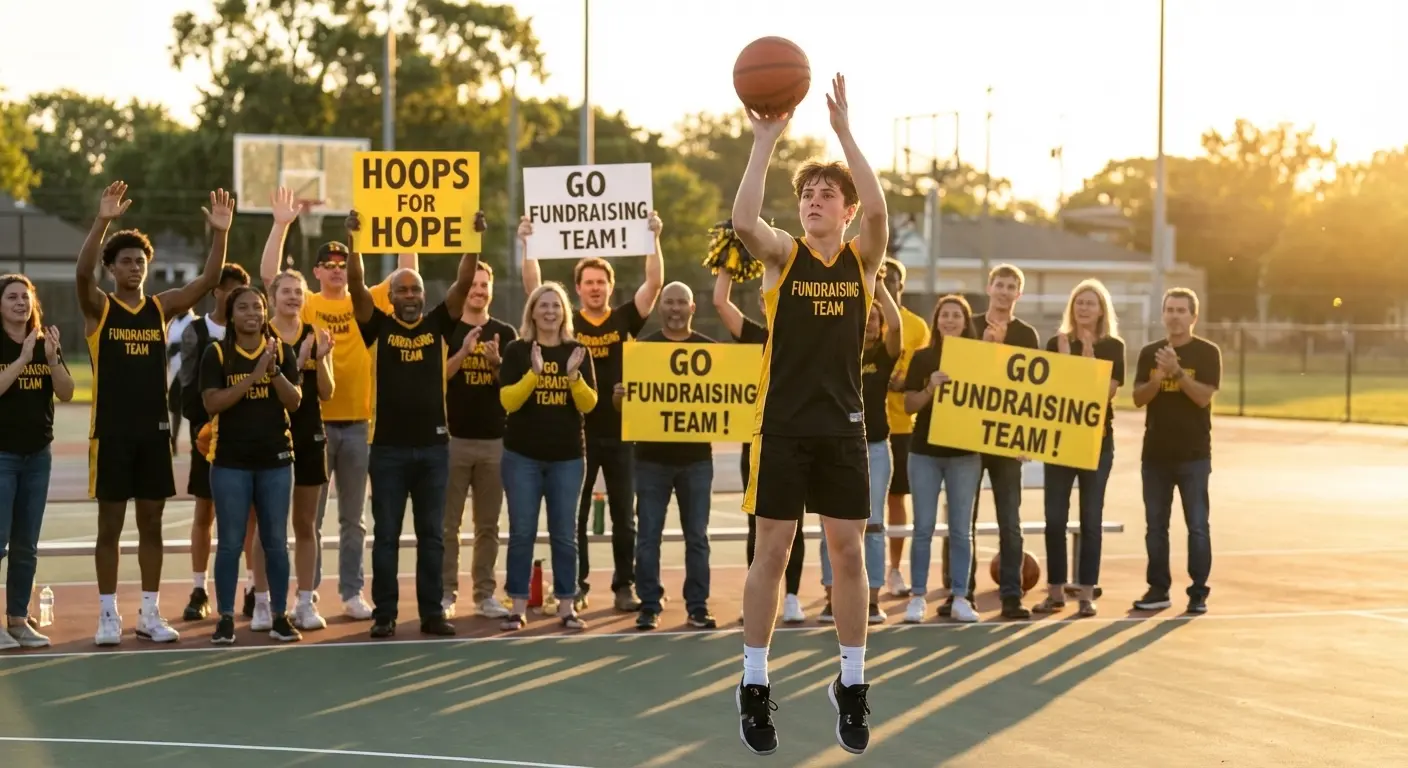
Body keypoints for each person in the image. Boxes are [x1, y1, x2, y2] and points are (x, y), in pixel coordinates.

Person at [733, 74, 886, 756]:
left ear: (845, 212)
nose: (815, 200)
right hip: (785, 429)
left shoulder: (860, 261)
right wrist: (765, 141)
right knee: (774, 551)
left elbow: (881, 213)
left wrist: (845, 134)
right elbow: (742, 223)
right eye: (807, 194)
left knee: (848, 552)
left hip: (844, 429)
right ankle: (754, 683)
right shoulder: (783, 258)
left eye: (827, 195)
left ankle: (851, 683)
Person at [75, 182, 233, 646]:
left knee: (152, 524)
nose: (134, 266)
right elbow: (82, 271)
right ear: (112, 268)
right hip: (111, 433)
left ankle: (148, 611)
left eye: (140, 261)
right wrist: (103, 220)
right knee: (110, 527)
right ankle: (108, 615)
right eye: (125, 261)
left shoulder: (159, 309)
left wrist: (220, 234)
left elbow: (206, 282)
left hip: (154, 433)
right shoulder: (99, 308)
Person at [260, 187, 418, 622]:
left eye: (342, 264)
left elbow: (407, 273)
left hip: (358, 423)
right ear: (315, 272)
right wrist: (281, 224)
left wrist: (408, 222)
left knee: (354, 519)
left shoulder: (363, 301)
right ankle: (305, 594)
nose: (335, 270)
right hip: (312, 424)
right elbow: (271, 276)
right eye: (328, 266)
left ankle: (352, 592)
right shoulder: (306, 302)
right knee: (308, 520)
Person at [517, 211, 664, 612]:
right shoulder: (568, 322)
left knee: (624, 517)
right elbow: (534, 286)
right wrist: (527, 242)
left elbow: (654, 284)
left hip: (621, 431)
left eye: (601, 282)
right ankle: (576, 587)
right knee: (574, 518)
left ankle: (623, 586)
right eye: (589, 283)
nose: (595, 288)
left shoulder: (623, 319)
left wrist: (654, 238)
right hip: (576, 433)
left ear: (610, 287)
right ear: (578, 289)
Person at [346, 210, 483, 639]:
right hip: (386, 449)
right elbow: (354, 286)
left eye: (415, 289)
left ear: (424, 294)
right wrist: (354, 242)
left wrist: (473, 241)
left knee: (433, 537)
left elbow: (462, 283)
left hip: (433, 450)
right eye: (401, 289)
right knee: (386, 536)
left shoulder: (439, 324)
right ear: (390, 296)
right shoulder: (377, 327)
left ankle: (431, 614)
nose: (409, 294)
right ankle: (385, 613)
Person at [199, 286, 303, 645]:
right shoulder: (216, 354)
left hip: (275, 460)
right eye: (243, 307)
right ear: (231, 314)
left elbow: (295, 402)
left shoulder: (282, 351)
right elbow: (213, 403)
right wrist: (254, 374)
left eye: (257, 307)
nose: (252, 313)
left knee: (276, 541)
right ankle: (225, 618)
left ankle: (279, 616)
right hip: (230, 462)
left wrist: (272, 372)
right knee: (229, 542)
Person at [613, 278, 717, 631]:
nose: (674, 308)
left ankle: (698, 606)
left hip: (697, 460)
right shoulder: (642, 350)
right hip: (651, 460)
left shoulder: (713, 352)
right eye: (669, 302)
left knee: (697, 538)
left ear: (692, 308)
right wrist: (619, 396)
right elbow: (622, 406)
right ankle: (649, 604)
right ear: (661, 308)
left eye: (681, 302)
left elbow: (725, 401)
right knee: (648, 536)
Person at [498, 282, 597, 632]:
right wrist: (534, 374)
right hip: (521, 457)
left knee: (564, 533)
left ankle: (567, 605)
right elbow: (508, 401)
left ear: (564, 312)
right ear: (533, 312)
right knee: (522, 532)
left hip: (567, 458)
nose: (550, 311)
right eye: (544, 305)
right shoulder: (516, 351)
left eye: (556, 305)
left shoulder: (578, 351)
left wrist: (572, 376)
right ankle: (518, 605)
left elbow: (589, 404)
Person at [712, 269, 808, 624]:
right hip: (757, 444)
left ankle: (794, 596)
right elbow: (720, 302)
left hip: (799, 441)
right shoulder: (755, 336)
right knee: (758, 526)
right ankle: (755, 596)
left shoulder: (806, 337)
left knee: (793, 524)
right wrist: (727, 261)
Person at [1034, 279, 1125, 618]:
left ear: (1102, 309)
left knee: (1091, 518)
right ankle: (1055, 592)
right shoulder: (1054, 343)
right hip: (1059, 442)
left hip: (1096, 443)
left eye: (1091, 303)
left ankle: (1086, 593)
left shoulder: (1113, 347)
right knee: (1054, 518)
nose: (1084, 308)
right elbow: (1047, 392)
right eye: (1079, 302)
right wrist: (1068, 359)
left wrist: (1086, 359)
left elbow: (1105, 393)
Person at [176, 264, 260, 623]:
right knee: (204, 512)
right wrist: (203, 427)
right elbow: (188, 384)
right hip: (210, 434)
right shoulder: (197, 331)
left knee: (250, 519)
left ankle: (253, 587)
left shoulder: (255, 331)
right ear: (216, 293)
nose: (233, 295)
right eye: (227, 290)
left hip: (250, 434)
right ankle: (199, 588)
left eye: (240, 289)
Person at [817, 271, 901, 625]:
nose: (870, 325)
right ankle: (831, 597)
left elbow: (897, 327)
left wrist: (879, 284)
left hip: (876, 447)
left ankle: (873, 599)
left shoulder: (884, 355)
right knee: (832, 524)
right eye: (864, 318)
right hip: (836, 444)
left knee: (875, 523)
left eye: (875, 320)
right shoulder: (838, 351)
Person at [1132, 287, 1220, 615]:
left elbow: (1202, 397)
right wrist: (1158, 377)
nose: (1175, 316)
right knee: (1156, 526)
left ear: (1193, 317)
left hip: (1194, 455)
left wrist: (1179, 372)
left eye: (1182, 310)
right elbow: (1139, 398)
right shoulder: (1150, 352)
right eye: (1170, 309)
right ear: (1163, 315)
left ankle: (1198, 591)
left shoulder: (1208, 353)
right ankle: (1158, 588)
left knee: (1197, 525)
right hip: (1155, 455)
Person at [0, 275, 74, 650]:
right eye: (11, 297)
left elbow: (66, 392)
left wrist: (49, 359)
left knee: (26, 543)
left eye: (25, 298)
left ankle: (17, 619)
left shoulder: (45, 343)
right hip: (2, 456)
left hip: (37, 456)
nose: (19, 304)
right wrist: (23, 358)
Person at [441, 261, 516, 620]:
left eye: (485, 285)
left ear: (492, 290)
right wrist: (463, 354)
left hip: (493, 441)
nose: (479, 290)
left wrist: (497, 364)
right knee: (447, 524)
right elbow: (435, 380)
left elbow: (515, 390)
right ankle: (444, 593)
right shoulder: (447, 329)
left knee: (488, 525)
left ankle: (484, 593)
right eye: (473, 285)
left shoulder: (505, 331)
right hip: (452, 439)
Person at [901, 295, 983, 624]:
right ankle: (918, 596)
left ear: (965, 322)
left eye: (956, 316)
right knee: (923, 528)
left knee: (961, 531)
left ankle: (961, 596)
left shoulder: (980, 359)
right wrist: (929, 390)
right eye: (944, 315)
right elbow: (908, 406)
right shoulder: (922, 358)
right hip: (924, 453)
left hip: (965, 454)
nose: (950, 320)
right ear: (936, 321)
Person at [968, 263, 1041, 620]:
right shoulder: (970, 324)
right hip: (969, 436)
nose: (1004, 290)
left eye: (1011, 286)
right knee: (964, 519)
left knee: (1009, 521)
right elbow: (964, 376)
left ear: (1018, 294)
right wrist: (986, 348)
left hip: (1008, 441)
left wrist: (1025, 436)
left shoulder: (1027, 334)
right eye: (999, 284)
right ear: (989, 287)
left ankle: (1011, 595)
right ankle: (961, 591)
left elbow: (1030, 390)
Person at [268, 268, 336, 630]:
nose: (293, 297)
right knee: (270, 526)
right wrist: (299, 354)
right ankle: (265, 601)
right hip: (270, 436)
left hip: (309, 434)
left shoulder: (314, 334)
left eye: (298, 292)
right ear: (273, 297)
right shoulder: (263, 335)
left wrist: (321, 358)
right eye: (287, 292)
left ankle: (305, 601)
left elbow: (326, 392)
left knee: (306, 524)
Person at [880, 257, 929, 598]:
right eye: (881, 278)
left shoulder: (917, 326)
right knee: (856, 504)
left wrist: (897, 380)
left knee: (897, 498)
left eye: (892, 279)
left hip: (900, 424)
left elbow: (912, 375)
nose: (887, 284)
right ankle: (857, 572)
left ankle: (895, 570)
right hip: (861, 424)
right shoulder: (859, 315)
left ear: (901, 285)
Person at [166, 308, 195, 453]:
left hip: (187, 370)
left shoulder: (193, 321)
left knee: (190, 407)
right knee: (175, 407)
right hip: (174, 368)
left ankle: (194, 441)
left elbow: (195, 345)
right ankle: (173, 439)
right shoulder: (172, 322)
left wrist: (179, 347)